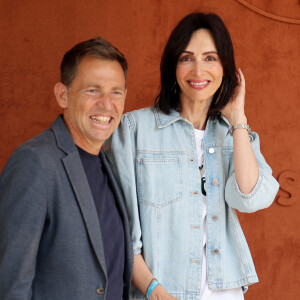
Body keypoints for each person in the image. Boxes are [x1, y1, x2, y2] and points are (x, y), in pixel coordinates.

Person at [104, 12, 279, 300]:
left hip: (225, 291)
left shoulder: (234, 133)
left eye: (210, 58)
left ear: (226, 68)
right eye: (187, 58)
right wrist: (155, 291)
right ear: (173, 65)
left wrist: (238, 118)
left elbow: (248, 198)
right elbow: (122, 232)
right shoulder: (134, 129)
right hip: (161, 291)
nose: (198, 70)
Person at [0, 36, 133, 299]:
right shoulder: (35, 162)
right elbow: (10, 282)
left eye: (115, 92)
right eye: (92, 90)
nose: (107, 104)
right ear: (63, 95)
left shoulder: (108, 164)